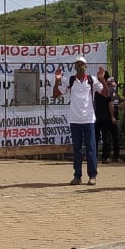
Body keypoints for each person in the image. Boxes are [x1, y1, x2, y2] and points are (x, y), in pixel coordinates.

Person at [53, 56, 109, 186]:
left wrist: (102, 79)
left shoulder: (92, 80)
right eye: (78, 64)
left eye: (82, 64)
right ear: (75, 67)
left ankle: (92, 176)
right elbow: (56, 95)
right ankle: (77, 176)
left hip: (88, 119)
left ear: (86, 66)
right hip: (74, 119)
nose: (80, 67)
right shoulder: (70, 81)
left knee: (91, 148)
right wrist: (57, 81)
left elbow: (106, 94)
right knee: (77, 149)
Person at [94, 71, 121, 163]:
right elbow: (110, 104)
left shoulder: (96, 89)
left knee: (96, 138)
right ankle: (105, 157)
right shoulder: (106, 89)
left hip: (97, 116)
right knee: (106, 138)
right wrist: (112, 116)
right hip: (105, 117)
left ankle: (94, 156)